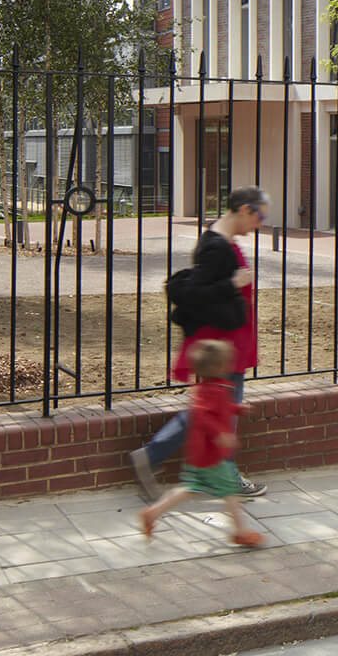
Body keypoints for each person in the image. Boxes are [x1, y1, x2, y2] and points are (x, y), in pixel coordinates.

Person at [131, 187, 268, 502]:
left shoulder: (222, 242)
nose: (259, 223)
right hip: (222, 347)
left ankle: (212, 475)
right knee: (215, 411)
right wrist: (232, 284)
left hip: (230, 344)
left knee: (216, 410)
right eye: (259, 216)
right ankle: (155, 456)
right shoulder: (215, 246)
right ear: (244, 210)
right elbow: (194, 293)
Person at [137, 338, 265, 548]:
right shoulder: (213, 391)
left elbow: (219, 409)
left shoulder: (212, 388)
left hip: (200, 455)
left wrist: (237, 409)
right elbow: (202, 415)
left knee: (189, 488)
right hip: (212, 456)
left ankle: (152, 513)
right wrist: (220, 434)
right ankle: (241, 532)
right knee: (230, 491)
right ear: (221, 367)